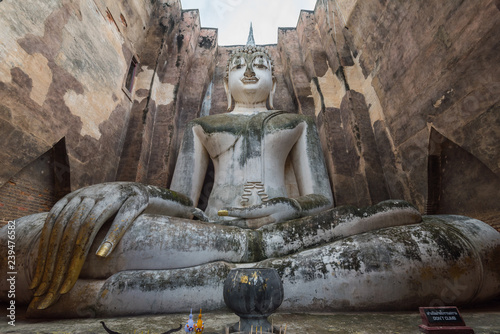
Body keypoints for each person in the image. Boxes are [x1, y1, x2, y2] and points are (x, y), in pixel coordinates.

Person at [1, 41, 499, 318]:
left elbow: (320, 197)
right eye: (239, 64)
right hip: (210, 234)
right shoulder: (204, 125)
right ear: (224, 80)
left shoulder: (294, 123)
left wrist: (290, 213)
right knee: (24, 241)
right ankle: (244, 268)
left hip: (294, 234)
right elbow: (181, 195)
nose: (250, 69)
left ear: (275, 79)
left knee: (465, 240)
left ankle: (192, 286)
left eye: (261, 63)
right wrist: (139, 193)